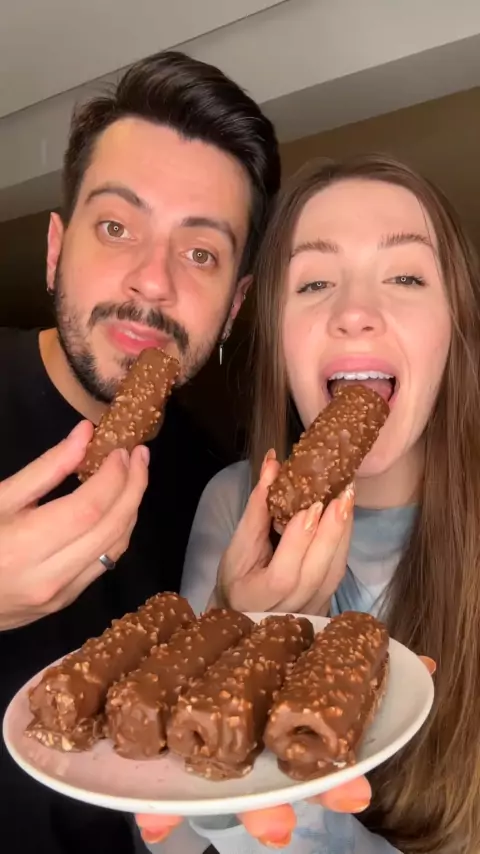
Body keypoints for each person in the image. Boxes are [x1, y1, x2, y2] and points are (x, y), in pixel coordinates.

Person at [138, 154, 480, 853]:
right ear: (277, 335)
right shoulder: (235, 501)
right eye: (315, 282)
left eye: (406, 277)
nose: (354, 313)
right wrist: (238, 650)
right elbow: (169, 841)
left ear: (457, 327)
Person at [0, 50, 280, 854]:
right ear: (56, 249)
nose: (152, 282)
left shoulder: (216, 490)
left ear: (235, 307)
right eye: (116, 227)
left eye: (201, 253)